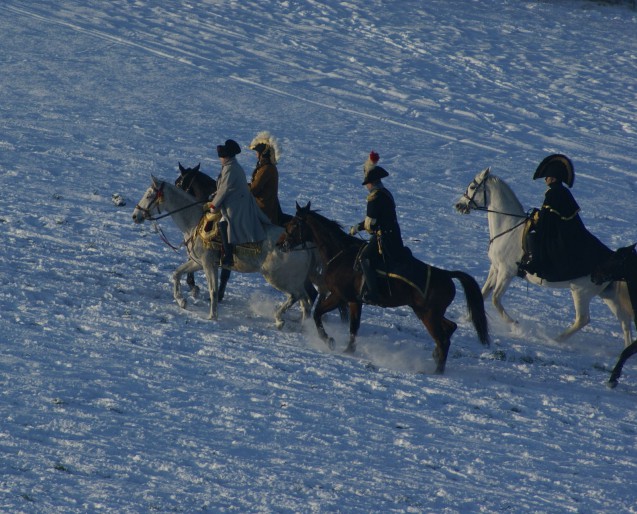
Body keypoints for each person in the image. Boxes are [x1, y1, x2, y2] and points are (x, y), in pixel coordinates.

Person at [518, 154, 612, 281]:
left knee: (533, 236)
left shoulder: (554, 193)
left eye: (548, 176)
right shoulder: (562, 191)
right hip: (565, 231)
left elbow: (548, 219)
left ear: (553, 178)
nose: (545, 179)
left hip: (558, 235)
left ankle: (535, 265)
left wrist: (537, 220)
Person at [349, 151, 405, 303]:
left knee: (364, 257)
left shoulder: (374, 196)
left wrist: (357, 228)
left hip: (385, 237)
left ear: (371, 182)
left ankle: (373, 293)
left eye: (367, 182)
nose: (366, 185)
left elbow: (371, 223)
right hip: (393, 234)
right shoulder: (385, 192)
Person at [205, 139, 270, 267]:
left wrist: (214, 205)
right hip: (235, 200)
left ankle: (228, 255)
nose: (220, 159)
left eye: (222, 157)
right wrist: (214, 195)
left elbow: (224, 189)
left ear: (227, 157)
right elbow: (223, 187)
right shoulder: (230, 166)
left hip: (238, 205)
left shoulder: (231, 168)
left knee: (224, 222)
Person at [248, 131, 285, 225]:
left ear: (263, 154)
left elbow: (254, 189)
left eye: (257, 152)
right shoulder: (266, 167)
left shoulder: (267, 169)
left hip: (263, 208)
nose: (256, 154)